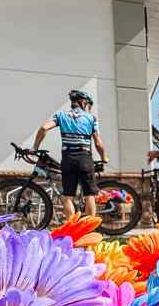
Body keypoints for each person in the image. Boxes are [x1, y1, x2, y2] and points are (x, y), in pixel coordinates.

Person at [34, 90, 108, 218]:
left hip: (68, 158)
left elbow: (44, 128)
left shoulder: (61, 115)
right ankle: (90, 227)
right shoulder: (91, 118)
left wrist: (35, 147)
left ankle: (71, 227)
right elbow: (98, 143)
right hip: (85, 158)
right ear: (83, 102)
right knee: (89, 195)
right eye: (88, 105)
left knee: (68, 196)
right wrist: (104, 157)